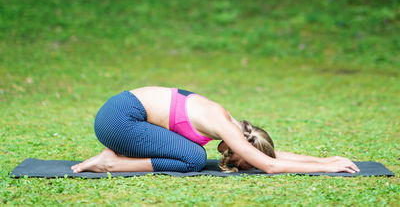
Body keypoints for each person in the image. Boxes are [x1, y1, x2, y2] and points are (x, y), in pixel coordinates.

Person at [71, 86, 360, 174]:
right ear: (242, 145)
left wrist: (325, 161)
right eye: (241, 161)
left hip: (120, 115)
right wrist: (327, 169)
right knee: (194, 158)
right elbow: (270, 165)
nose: (232, 162)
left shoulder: (233, 127)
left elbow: (271, 155)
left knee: (193, 154)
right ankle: (111, 162)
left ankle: (114, 158)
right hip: (120, 120)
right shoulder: (226, 127)